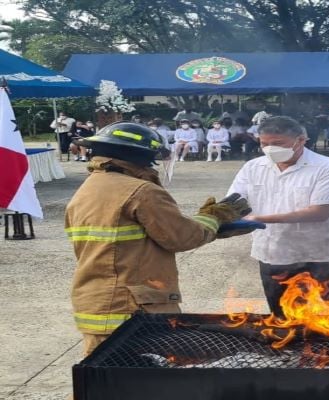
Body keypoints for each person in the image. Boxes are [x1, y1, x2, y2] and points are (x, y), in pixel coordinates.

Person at [65, 121, 252, 356]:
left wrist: (213, 229)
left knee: (102, 381)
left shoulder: (90, 188)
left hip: (97, 300)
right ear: (142, 156)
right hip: (132, 306)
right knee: (138, 382)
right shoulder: (142, 191)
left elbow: (138, 238)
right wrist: (214, 218)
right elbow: (182, 238)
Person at [227, 116, 329, 316]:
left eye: (278, 144)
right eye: (264, 144)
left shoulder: (327, 168)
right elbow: (234, 200)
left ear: (301, 140)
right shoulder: (253, 167)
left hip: (323, 256)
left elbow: (319, 213)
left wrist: (259, 219)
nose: (270, 149)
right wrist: (218, 217)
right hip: (274, 253)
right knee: (282, 318)